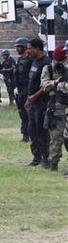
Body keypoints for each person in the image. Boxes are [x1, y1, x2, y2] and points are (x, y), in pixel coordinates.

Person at [39, 42, 67, 172]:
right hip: (57, 105)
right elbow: (44, 85)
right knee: (56, 136)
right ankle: (54, 163)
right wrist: (56, 82)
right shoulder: (49, 68)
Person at [24, 37, 52, 168]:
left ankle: (46, 159)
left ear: (37, 49)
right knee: (32, 130)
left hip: (42, 103)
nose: (27, 51)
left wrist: (34, 97)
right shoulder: (34, 62)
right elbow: (32, 82)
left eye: (30, 48)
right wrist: (28, 99)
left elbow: (46, 85)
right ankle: (36, 157)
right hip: (32, 103)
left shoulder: (46, 63)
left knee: (42, 132)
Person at [14, 37, 32, 142]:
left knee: (29, 113)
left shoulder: (30, 60)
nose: (17, 49)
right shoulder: (20, 59)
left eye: (19, 47)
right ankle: (25, 134)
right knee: (22, 113)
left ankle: (31, 134)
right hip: (20, 90)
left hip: (28, 90)